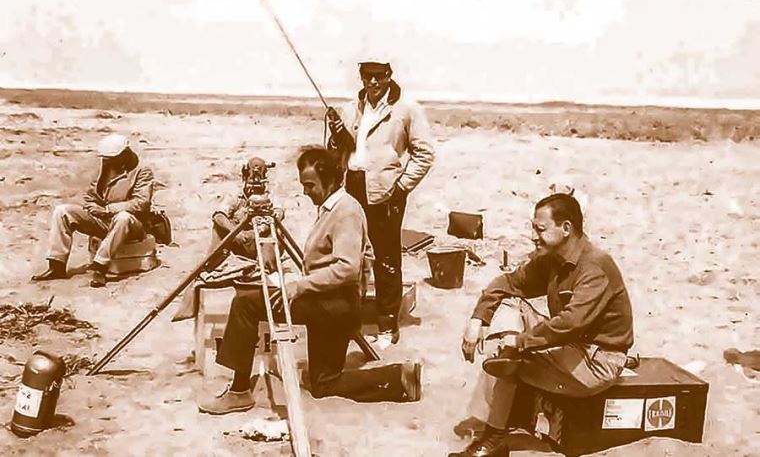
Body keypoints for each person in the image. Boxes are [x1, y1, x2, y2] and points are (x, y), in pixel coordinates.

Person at [198, 147, 422, 415]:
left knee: (246, 303)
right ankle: (399, 377)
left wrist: (298, 286)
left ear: (329, 181)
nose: (305, 192)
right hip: (328, 302)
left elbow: (347, 268)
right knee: (324, 383)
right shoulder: (333, 208)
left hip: (335, 307)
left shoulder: (346, 211)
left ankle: (239, 391)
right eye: (304, 185)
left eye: (310, 185)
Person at [450, 193, 634, 457]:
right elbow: (508, 283)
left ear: (566, 228)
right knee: (510, 304)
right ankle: (504, 382)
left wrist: (519, 341)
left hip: (597, 361)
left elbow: (571, 322)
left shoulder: (595, 266)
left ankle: (494, 436)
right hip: (570, 347)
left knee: (510, 356)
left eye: (540, 229)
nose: (533, 236)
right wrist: (477, 319)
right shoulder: (553, 258)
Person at [326, 59, 435, 349]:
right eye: (367, 76)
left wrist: (400, 188)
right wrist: (336, 134)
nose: (372, 82)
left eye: (378, 76)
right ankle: (350, 320)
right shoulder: (351, 108)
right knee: (350, 255)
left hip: (386, 192)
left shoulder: (407, 109)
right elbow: (341, 151)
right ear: (360, 77)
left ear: (389, 76)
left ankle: (387, 326)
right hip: (352, 187)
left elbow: (425, 154)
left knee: (386, 259)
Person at [31, 133, 154, 288]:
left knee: (123, 217)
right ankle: (57, 265)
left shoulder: (142, 171)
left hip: (131, 225)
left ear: (124, 154)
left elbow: (141, 203)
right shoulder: (105, 167)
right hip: (104, 221)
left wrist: (108, 210)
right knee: (62, 211)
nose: (107, 161)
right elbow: (91, 194)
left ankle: (100, 267)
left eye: (112, 158)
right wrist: (92, 207)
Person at [172, 157, 280, 322]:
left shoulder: (271, 196)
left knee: (276, 232)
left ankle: (264, 268)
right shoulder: (236, 195)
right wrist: (236, 233)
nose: (254, 181)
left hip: (260, 243)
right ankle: (215, 263)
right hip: (238, 243)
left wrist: (260, 227)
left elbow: (279, 214)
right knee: (219, 228)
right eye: (252, 176)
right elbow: (218, 215)